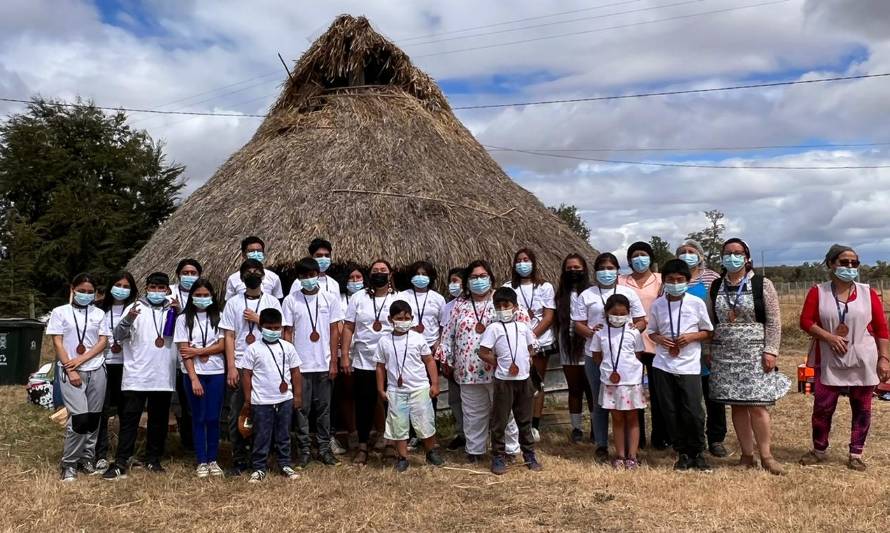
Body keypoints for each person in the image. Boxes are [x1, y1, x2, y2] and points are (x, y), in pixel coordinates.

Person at [799, 244, 890, 471]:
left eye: (854, 263)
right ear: (832, 264)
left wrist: (884, 358)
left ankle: (856, 453)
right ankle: (819, 450)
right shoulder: (818, 292)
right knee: (823, 407)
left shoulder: (868, 293)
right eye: (844, 262)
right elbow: (806, 321)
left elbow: (881, 329)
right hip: (829, 358)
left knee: (862, 407)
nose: (850, 267)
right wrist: (828, 337)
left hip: (863, 358)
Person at [707, 238, 789, 475]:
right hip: (725, 353)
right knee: (737, 405)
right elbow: (711, 321)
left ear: (747, 257)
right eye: (727, 253)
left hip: (755, 353)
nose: (732, 257)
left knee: (758, 405)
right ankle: (746, 454)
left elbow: (774, 321)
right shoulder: (716, 286)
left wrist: (771, 350)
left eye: (737, 253)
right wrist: (709, 351)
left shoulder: (763, 284)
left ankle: (766, 455)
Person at [437, 260, 524, 463]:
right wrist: (446, 360)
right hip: (468, 370)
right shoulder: (459, 304)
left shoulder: (501, 299)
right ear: (467, 281)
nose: (478, 280)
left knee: (505, 412)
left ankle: (509, 450)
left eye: (482, 276)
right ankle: (475, 450)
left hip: (499, 369)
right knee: (473, 413)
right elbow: (448, 334)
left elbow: (522, 326)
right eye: (474, 277)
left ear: (490, 277)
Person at [103, 272, 178, 480]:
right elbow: (117, 336)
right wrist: (128, 319)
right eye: (153, 287)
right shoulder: (134, 307)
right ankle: (121, 461)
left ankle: (153, 459)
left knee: (159, 421)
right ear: (146, 288)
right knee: (129, 419)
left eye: (161, 288)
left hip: (163, 376)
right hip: (136, 375)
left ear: (167, 290)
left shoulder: (174, 310)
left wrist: (179, 313)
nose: (156, 291)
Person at [571, 252, 646, 462]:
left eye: (611, 268)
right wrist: (595, 335)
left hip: (624, 358)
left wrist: (632, 329)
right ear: (595, 271)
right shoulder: (587, 294)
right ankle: (602, 444)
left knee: (628, 405)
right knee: (600, 401)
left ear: (617, 270)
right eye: (602, 268)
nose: (606, 272)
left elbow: (641, 321)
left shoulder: (627, 292)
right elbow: (578, 323)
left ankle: (631, 450)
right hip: (595, 354)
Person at [646, 259, 714, 471]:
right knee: (670, 410)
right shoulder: (657, 305)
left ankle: (698, 451)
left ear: (687, 280)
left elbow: (708, 331)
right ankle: (682, 452)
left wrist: (692, 336)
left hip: (689, 366)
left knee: (693, 410)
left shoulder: (696, 302)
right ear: (664, 281)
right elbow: (652, 331)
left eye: (679, 280)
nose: (675, 283)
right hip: (663, 364)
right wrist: (658, 339)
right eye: (670, 280)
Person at [218, 259, 283, 475]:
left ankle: (261, 458)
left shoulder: (272, 301)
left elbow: (278, 332)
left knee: (264, 415)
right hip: (240, 364)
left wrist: (258, 320)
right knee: (237, 414)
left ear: (263, 276)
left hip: (265, 367)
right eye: (248, 271)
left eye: (257, 271)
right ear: (242, 276)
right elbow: (228, 335)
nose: (252, 274)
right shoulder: (233, 303)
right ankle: (239, 459)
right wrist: (231, 367)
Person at [282, 257, 344, 468]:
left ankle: (325, 449)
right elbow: (287, 332)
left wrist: (333, 362)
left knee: (324, 408)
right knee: (301, 408)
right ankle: (304, 450)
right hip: (300, 364)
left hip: (324, 363)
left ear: (318, 274)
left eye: (311, 275)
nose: (308, 279)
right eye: (304, 276)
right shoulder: (291, 300)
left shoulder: (330, 298)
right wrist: (288, 363)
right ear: (298, 278)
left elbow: (334, 330)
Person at [48, 273, 109, 481]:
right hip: (70, 370)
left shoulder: (99, 314)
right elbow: (58, 341)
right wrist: (70, 368)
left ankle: (86, 458)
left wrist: (82, 359)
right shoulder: (60, 312)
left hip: (96, 368)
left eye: (90, 292)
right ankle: (69, 463)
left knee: (93, 419)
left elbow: (102, 342)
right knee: (80, 418)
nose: (85, 295)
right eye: (81, 291)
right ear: (72, 289)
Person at [375, 300, 445, 472]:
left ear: (412, 318)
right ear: (390, 319)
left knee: (425, 422)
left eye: (407, 318)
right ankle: (402, 456)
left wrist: (434, 383)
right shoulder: (384, 341)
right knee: (398, 425)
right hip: (396, 390)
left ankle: (430, 452)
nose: (403, 321)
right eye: (399, 318)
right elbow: (380, 367)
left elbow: (429, 361)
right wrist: (380, 389)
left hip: (419, 388)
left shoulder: (418, 338)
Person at [479, 287, 542, 474]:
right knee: (500, 420)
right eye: (498, 305)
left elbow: (531, 347)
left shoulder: (523, 327)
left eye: (506, 305)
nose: (502, 308)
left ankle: (529, 454)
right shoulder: (493, 328)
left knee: (524, 419)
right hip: (503, 381)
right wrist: (497, 362)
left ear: (515, 306)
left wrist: (526, 359)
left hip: (523, 379)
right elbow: (483, 352)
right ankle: (498, 455)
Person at [341, 259, 396, 464]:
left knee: (392, 404)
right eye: (375, 270)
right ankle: (363, 446)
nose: (379, 273)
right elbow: (348, 327)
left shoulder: (398, 297)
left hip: (391, 362)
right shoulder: (358, 298)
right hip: (363, 361)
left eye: (383, 270)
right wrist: (345, 355)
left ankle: (390, 445)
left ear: (390, 274)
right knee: (364, 404)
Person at [676, 239, 727, 457]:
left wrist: (710, 347)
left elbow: (718, 313)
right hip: (681, 348)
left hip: (707, 344)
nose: (687, 255)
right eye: (683, 252)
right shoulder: (672, 279)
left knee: (712, 394)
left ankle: (715, 438)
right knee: (687, 397)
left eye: (691, 251)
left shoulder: (712, 279)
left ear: (701, 256)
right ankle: (691, 437)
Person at [241, 308, 302, 482]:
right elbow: (246, 374)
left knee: (284, 434)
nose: (273, 331)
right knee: (261, 434)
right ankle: (259, 467)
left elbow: (296, 372)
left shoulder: (288, 347)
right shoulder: (253, 349)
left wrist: (297, 396)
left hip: (284, 399)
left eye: (277, 328)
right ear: (261, 327)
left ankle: (285, 464)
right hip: (261, 400)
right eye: (269, 327)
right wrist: (248, 398)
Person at [174, 278, 226, 478]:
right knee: (199, 417)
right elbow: (183, 351)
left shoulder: (219, 317)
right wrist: (194, 378)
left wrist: (199, 351)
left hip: (216, 372)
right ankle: (201, 460)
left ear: (212, 297)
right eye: (198, 295)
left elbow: (222, 346)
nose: (202, 299)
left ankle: (213, 459)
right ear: (191, 296)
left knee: (213, 417)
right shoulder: (183, 319)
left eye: (206, 295)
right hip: (193, 374)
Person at [505, 248, 555, 442]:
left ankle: (534, 425)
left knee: (536, 383)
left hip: (540, 342)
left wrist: (531, 337)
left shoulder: (545, 286)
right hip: (514, 344)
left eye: (526, 260)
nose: (522, 263)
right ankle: (517, 424)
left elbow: (548, 316)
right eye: (519, 260)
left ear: (533, 262)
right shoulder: (509, 287)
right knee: (516, 383)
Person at [591, 294, 646, 469]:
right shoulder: (599, 333)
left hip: (631, 382)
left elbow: (638, 355)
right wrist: (609, 370)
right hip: (610, 382)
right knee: (617, 418)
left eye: (623, 313)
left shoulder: (633, 332)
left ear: (628, 313)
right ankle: (620, 455)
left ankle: (632, 456)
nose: (618, 316)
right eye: (614, 313)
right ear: (606, 312)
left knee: (632, 417)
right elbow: (596, 356)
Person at [95, 271, 137, 471]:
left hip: (127, 365)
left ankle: (125, 453)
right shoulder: (98, 309)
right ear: (110, 286)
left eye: (126, 286)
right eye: (118, 284)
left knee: (126, 411)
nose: (121, 289)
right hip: (102, 364)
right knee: (102, 410)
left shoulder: (136, 309)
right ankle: (100, 453)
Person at [555, 254, 595, 444]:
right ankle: (577, 428)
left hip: (589, 345)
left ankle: (597, 427)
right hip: (567, 345)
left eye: (577, 268)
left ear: (584, 269)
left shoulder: (592, 293)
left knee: (592, 389)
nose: (573, 271)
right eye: (569, 268)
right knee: (574, 389)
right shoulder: (560, 294)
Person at [170, 258, 202, 453]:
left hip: (195, 355)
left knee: (191, 400)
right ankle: (185, 439)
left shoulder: (202, 293)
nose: (189, 277)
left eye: (193, 273)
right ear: (178, 274)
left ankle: (192, 441)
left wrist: (180, 311)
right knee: (179, 400)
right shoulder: (169, 293)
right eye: (186, 273)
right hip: (170, 354)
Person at [440, 267, 467, 451]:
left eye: (457, 280)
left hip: (472, 363)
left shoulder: (472, 304)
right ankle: (462, 433)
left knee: (474, 401)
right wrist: (445, 360)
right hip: (453, 362)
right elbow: (444, 334)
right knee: (455, 400)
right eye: (451, 281)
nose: (453, 284)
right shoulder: (447, 307)